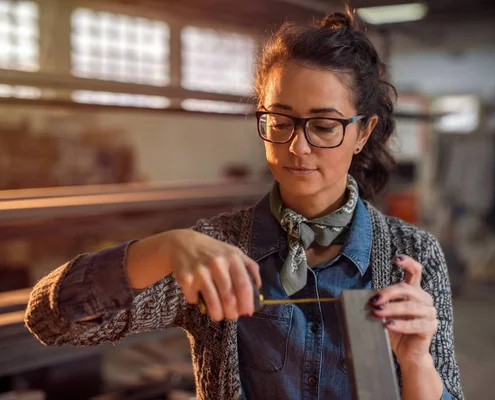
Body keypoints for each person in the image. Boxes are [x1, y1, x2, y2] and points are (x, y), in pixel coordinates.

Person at [26, 10, 463, 400]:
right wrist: (165, 247)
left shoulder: (412, 255)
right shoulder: (215, 253)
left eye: (325, 126)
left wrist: (416, 361)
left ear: (363, 133)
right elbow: (51, 320)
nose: (298, 146)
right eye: (280, 120)